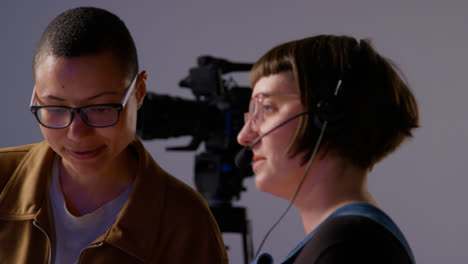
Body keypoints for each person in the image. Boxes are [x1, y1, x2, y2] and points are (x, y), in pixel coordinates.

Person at [0, 7, 227, 264]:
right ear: (36, 98)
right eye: (56, 108)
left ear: (139, 92)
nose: (77, 133)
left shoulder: (184, 220)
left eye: (99, 108)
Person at [237, 35, 419, 263]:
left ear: (328, 115)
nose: (244, 137)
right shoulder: (349, 240)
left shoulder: (349, 246)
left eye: (267, 108)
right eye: (250, 115)